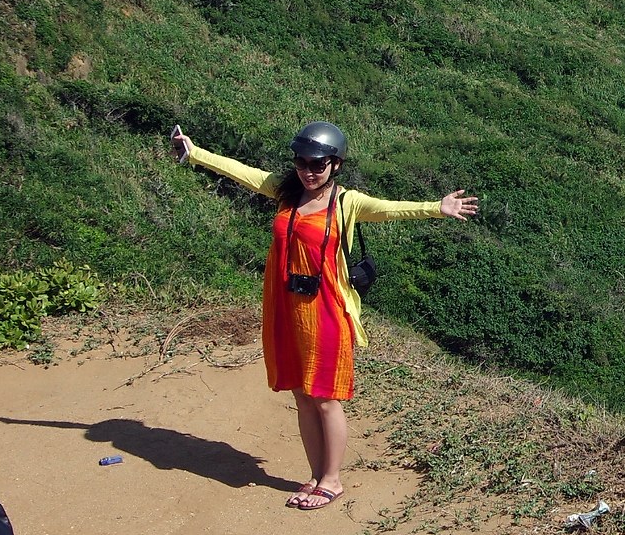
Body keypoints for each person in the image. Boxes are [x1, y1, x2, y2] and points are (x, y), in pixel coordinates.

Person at [171, 120, 478, 509]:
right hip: (286, 306)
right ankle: (315, 475)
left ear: (336, 165)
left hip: (327, 308)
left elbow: (390, 209)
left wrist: (437, 208)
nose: (308, 170)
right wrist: (195, 153)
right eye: (301, 162)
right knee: (302, 395)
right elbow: (242, 172)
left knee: (326, 397)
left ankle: (332, 480)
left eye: (317, 164)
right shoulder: (286, 192)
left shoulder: (347, 203)